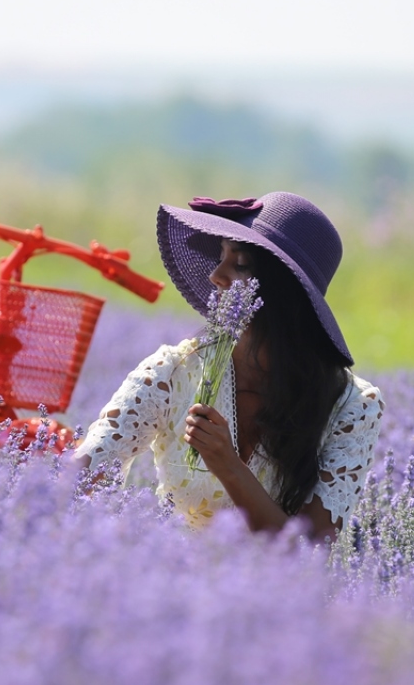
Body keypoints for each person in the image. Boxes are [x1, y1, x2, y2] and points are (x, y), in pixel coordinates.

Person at [73, 192, 384, 542]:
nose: (216, 276)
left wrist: (229, 466)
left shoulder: (351, 405)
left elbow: (305, 550)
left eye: (239, 264)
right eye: (220, 257)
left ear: (286, 292)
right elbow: (83, 472)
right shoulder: (175, 372)